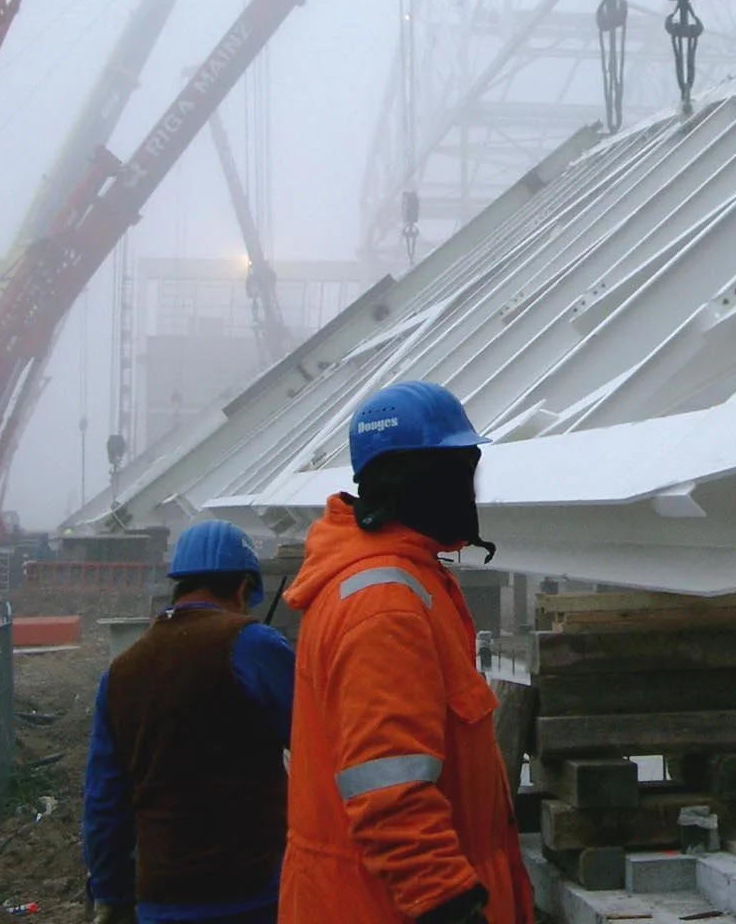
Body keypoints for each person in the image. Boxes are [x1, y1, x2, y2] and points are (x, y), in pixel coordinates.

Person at [280, 380, 532, 924]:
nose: (471, 492)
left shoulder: (399, 582)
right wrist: (449, 905)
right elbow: (389, 792)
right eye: (460, 471)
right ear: (415, 479)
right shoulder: (384, 605)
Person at [83, 520, 294, 924]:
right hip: (252, 894)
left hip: (161, 899)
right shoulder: (252, 644)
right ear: (241, 589)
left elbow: (104, 800)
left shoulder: (121, 672)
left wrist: (112, 894)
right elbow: (319, 743)